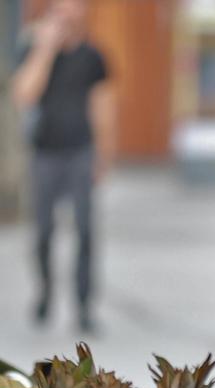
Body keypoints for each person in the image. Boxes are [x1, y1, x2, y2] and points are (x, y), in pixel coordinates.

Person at [12, 0, 114, 332]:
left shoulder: (93, 56)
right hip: (45, 153)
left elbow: (102, 105)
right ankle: (45, 291)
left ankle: (84, 305)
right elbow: (25, 94)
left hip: (80, 151)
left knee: (85, 231)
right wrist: (45, 49)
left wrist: (104, 154)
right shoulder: (34, 47)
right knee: (43, 232)